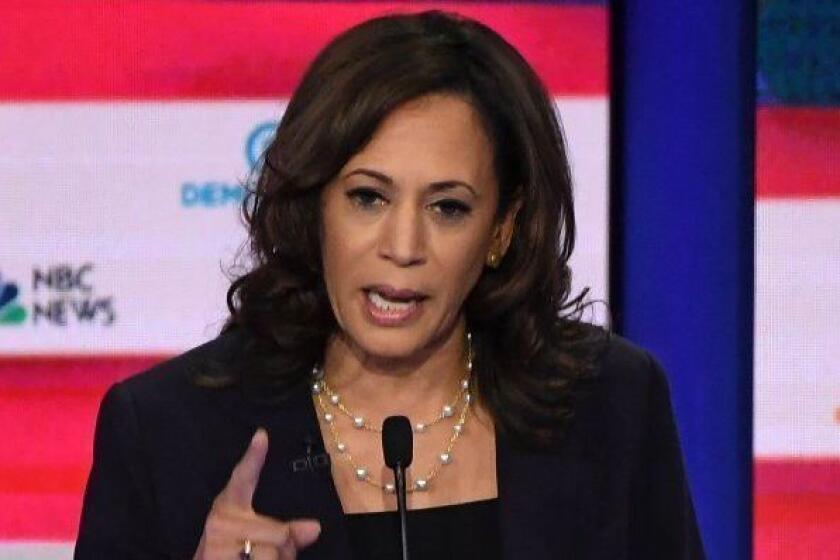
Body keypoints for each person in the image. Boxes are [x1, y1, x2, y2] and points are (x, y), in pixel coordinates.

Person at [74, 10, 704, 560]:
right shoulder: (168, 433)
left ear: (502, 229)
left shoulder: (611, 406)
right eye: (368, 197)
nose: (403, 249)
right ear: (315, 204)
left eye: (448, 208)